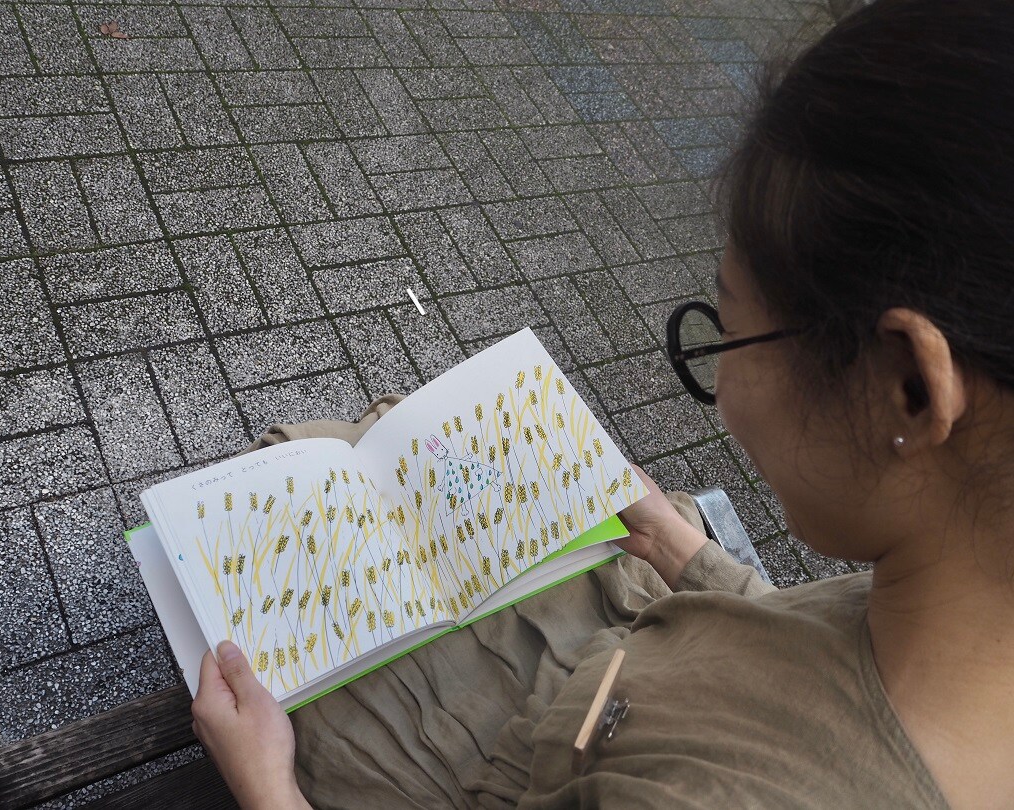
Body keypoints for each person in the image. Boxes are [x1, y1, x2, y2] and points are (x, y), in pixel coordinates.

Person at [189, 0, 1014, 806]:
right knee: (376, 451)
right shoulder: (965, 604)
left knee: (275, 512)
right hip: (623, 675)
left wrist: (265, 786)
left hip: (525, 762)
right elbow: (825, 654)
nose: (722, 387)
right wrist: (682, 550)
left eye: (727, 331)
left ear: (908, 389)